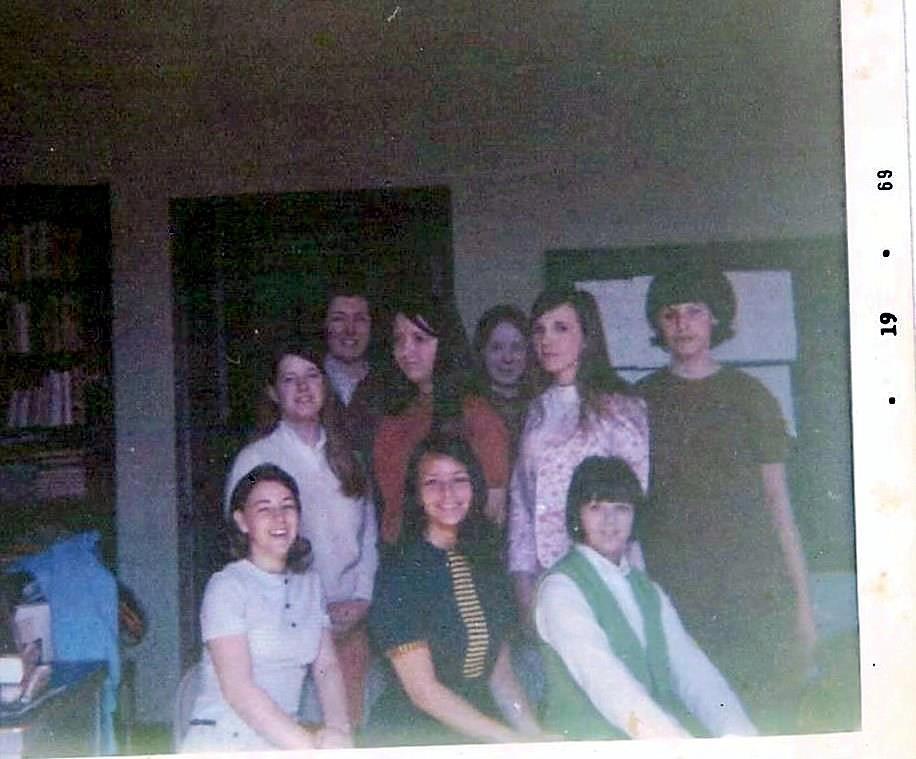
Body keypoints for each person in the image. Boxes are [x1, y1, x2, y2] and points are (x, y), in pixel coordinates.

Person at [635, 264, 816, 729]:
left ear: (715, 317)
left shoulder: (750, 396)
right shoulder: (640, 400)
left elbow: (779, 505)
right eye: (670, 314)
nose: (682, 324)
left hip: (751, 590)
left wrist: (803, 605)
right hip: (676, 592)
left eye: (694, 311)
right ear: (658, 324)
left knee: (761, 718)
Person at [536, 456, 757, 740]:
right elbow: (608, 685)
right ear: (577, 515)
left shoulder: (648, 591)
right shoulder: (561, 589)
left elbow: (695, 673)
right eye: (596, 508)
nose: (609, 521)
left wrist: (741, 736)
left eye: (621, 508)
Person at [225, 340, 377, 726]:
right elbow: (243, 552)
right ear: (273, 392)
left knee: (343, 731)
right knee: (291, 731)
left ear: (326, 385)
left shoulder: (348, 457)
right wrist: (309, 610)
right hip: (284, 626)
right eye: (290, 379)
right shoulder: (255, 459)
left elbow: (369, 536)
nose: (303, 387)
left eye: (312, 376)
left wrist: (361, 597)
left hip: (347, 621)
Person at [365, 434, 548, 746]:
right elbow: (423, 692)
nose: (447, 493)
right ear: (416, 494)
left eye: (459, 479)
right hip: (414, 731)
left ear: (474, 486)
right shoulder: (399, 572)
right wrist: (508, 739)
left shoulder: (486, 563)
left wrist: (534, 735)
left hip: (482, 722)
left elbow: (500, 673)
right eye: (432, 482)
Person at [182, 464, 352, 752]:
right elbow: (239, 690)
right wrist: (307, 748)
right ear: (242, 521)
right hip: (225, 741)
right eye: (264, 509)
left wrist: (339, 731)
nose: (279, 518)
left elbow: (327, 667)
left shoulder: (310, 584)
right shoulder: (226, 586)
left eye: (288, 506)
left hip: (285, 740)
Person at [507, 287, 649, 626]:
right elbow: (522, 507)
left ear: (586, 337)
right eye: (539, 330)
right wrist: (523, 585)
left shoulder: (620, 408)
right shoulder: (535, 410)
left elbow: (632, 501)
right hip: (544, 576)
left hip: (605, 575)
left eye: (561, 328)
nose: (547, 340)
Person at [372, 294, 510, 545]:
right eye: (399, 339)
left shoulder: (476, 414)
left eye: (419, 339)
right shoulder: (394, 417)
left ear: (446, 343)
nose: (406, 350)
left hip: (457, 556)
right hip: (398, 555)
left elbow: (494, 510)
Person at [322, 282, 386, 459]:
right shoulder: (306, 385)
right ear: (325, 324)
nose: (350, 330)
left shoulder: (390, 387)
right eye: (339, 319)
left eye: (359, 319)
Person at [471, 304, 532, 456]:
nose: (507, 358)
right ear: (482, 352)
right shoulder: (468, 410)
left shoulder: (542, 407)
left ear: (528, 352)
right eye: (496, 348)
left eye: (516, 348)